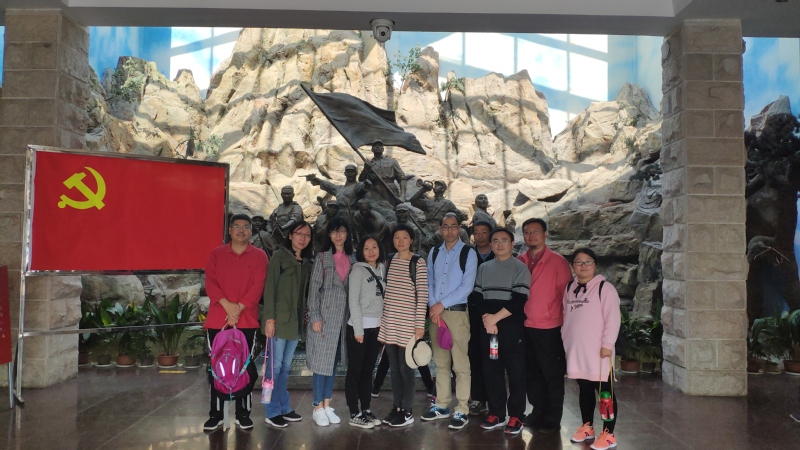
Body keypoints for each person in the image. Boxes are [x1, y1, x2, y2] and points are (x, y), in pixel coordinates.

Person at [203, 213, 267, 431]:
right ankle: (216, 414)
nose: (241, 230)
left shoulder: (259, 256)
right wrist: (228, 306)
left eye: (246, 227)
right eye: (237, 226)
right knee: (216, 366)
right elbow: (210, 283)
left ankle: (243, 413)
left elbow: (258, 286)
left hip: (246, 320)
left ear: (251, 231)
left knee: (244, 367)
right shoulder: (216, 254)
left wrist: (238, 309)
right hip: (217, 320)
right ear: (230, 230)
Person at [471, 227, 530, 435]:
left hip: (511, 328)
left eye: (504, 240)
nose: (499, 244)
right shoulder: (484, 268)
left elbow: (519, 299)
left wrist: (495, 318)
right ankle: (496, 412)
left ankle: (516, 415)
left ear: (512, 244)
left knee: (516, 372)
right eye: (495, 240)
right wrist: (487, 319)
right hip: (489, 328)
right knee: (491, 370)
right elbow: (476, 296)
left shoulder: (520, 268)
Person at [517, 218, 573, 433]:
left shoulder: (558, 262)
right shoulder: (520, 260)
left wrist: (566, 329)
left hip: (549, 327)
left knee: (551, 374)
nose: (531, 235)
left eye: (535, 231)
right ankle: (537, 411)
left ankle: (552, 418)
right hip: (525, 326)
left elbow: (566, 297)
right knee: (532, 373)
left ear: (545, 234)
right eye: (527, 232)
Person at [423, 212, 478, 430]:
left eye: (453, 226)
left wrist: (441, 304)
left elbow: (467, 286)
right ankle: (442, 404)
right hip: (436, 314)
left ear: (459, 229)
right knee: (441, 362)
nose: (449, 230)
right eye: (445, 226)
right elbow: (429, 281)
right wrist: (434, 306)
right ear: (440, 229)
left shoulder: (468, 253)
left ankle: (462, 408)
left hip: (456, 314)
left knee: (461, 364)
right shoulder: (434, 252)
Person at [562, 248, 621, 450]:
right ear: (573, 266)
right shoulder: (569, 287)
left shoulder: (605, 289)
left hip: (599, 352)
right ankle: (587, 426)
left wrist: (607, 345)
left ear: (595, 265)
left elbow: (613, 319)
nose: (583, 266)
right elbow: (566, 316)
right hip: (578, 351)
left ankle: (609, 433)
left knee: (605, 393)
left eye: (588, 261)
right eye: (578, 262)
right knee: (585, 389)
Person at [262, 220, 314, 428]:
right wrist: (269, 320)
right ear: (290, 235)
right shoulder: (279, 257)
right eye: (299, 234)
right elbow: (269, 289)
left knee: (284, 367)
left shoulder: (306, 262)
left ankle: (284, 407)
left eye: (307, 235)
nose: (303, 238)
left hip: (295, 321)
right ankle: (271, 410)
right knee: (273, 368)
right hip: (278, 320)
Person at [377, 224, 429, 427]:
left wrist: (419, 326)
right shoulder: (389, 260)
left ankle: (407, 411)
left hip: (408, 325)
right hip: (390, 323)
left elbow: (422, 295)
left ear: (411, 240)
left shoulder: (418, 262)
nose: (400, 241)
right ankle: (397, 407)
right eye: (397, 237)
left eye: (405, 237)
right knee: (395, 369)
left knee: (406, 369)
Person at [307, 216, 356, 426]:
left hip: (342, 320)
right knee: (321, 364)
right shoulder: (322, 258)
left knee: (332, 362)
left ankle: (327, 404)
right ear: (329, 234)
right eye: (335, 231)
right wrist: (315, 316)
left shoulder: (353, 259)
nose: (338, 235)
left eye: (342, 231)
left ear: (347, 234)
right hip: (324, 319)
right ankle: (317, 406)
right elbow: (313, 290)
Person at [345, 235, 386, 429]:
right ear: (361, 251)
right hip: (358, 329)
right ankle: (354, 412)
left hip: (376, 328)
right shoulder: (357, 271)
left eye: (374, 247)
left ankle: (366, 409)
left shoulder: (382, 268)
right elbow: (353, 301)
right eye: (367, 248)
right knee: (355, 371)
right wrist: (358, 330)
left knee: (368, 370)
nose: (371, 251)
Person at [467, 220, 495, 417]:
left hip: (495, 314)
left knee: (493, 357)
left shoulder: (499, 254)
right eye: (476, 232)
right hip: (472, 312)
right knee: (474, 355)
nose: (480, 236)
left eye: (484, 232)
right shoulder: (468, 255)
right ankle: (478, 398)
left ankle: (495, 399)